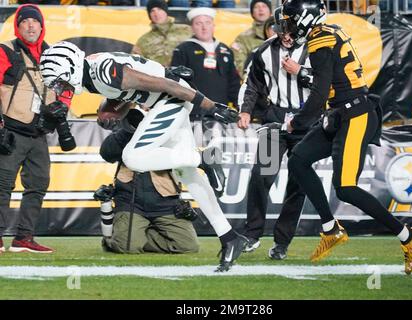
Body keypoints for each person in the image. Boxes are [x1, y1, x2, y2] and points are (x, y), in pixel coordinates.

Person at [39, 41, 248, 271]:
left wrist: (210, 106)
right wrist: (112, 109)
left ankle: (202, 158)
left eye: (59, 81)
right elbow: (131, 88)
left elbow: (164, 84)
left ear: (69, 67)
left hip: (172, 99)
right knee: (186, 173)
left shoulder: (102, 71)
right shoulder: (92, 72)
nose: (60, 88)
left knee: (133, 157)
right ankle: (229, 238)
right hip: (166, 98)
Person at [280, 0, 412, 274]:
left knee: (345, 187)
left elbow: (321, 93)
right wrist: (303, 73)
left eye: (290, 19)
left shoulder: (319, 40)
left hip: (355, 114)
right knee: (298, 159)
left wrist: (296, 122)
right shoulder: (328, 31)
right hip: (342, 113)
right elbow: (333, 78)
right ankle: (330, 229)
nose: (287, 24)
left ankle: (408, 235)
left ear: (304, 18)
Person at [237, 7, 319, 260]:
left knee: (298, 183)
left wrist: (301, 72)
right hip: (276, 119)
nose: (285, 36)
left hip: (306, 122)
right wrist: (245, 111)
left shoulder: (317, 49)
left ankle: (282, 242)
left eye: (290, 30)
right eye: (281, 30)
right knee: (262, 174)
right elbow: (252, 84)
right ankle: (252, 234)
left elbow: (330, 84)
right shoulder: (264, 50)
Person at [0, 4, 72, 254]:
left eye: (35, 22)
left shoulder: (54, 54)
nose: (30, 26)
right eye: (25, 22)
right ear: (17, 26)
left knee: (38, 185)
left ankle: (24, 238)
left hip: (40, 133)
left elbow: (65, 88)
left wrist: (62, 107)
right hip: (10, 130)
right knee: (2, 184)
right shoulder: (5, 51)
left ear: (42, 26)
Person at [98, 105, 199, 254]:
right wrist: (129, 130)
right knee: (127, 248)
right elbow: (107, 153)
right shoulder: (128, 121)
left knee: (188, 247)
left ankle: (134, 235)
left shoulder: (173, 123)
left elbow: (184, 156)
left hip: (165, 199)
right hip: (130, 200)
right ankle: (127, 237)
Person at [171, 7, 241, 120]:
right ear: (192, 28)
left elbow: (233, 82)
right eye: (198, 23)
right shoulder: (183, 50)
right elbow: (176, 82)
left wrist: (240, 107)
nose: (204, 27)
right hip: (192, 113)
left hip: (221, 113)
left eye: (208, 23)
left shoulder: (225, 50)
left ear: (213, 26)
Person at [132, 0, 192, 67]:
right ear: (149, 15)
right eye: (152, 11)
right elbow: (135, 64)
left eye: (159, 9)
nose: (156, 14)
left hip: (186, 75)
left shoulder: (186, 30)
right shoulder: (143, 40)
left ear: (166, 11)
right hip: (156, 76)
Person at [231, 0, 272, 76]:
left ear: (270, 12)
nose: (261, 9)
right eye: (256, 7)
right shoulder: (243, 38)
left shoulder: (282, 33)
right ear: (252, 13)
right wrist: (250, 83)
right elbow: (239, 64)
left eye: (264, 6)